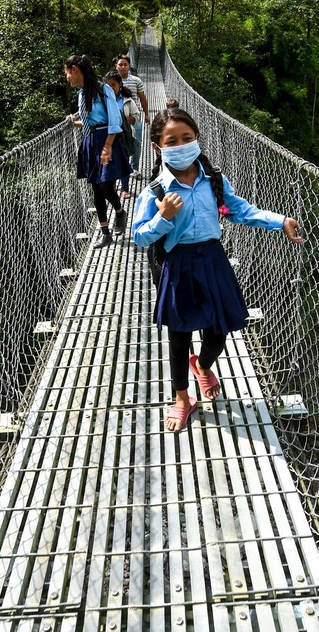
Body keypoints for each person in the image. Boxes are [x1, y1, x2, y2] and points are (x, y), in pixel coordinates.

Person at [131, 107, 305, 432]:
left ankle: (203, 365)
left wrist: (280, 221)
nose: (181, 144)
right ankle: (182, 399)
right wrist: (163, 217)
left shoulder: (214, 180)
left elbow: (239, 211)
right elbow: (139, 236)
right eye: (173, 140)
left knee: (218, 331)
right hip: (179, 263)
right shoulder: (154, 191)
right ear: (158, 146)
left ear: (197, 138)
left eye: (187, 138)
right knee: (179, 335)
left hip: (213, 259)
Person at [63, 54, 131, 248]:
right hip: (90, 140)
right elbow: (87, 122)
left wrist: (108, 145)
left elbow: (114, 120)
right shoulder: (82, 94)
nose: (67, 78)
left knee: (105, 186)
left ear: (75, 70)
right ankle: (105, 233)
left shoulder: (104, 90)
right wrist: (74, 123)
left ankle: (119, 211)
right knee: (96, 187)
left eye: (67, 73)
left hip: (106, 139)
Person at [104, 70, 143, 199]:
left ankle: (124, 189)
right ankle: (113, 185)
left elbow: (136, 115)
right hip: (108, 135)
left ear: (120, 84)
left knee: (124, 161)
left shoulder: (127, 100)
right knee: (110, 161)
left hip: (124, 135)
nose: (110, 88)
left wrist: (125, 120)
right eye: (107, 86)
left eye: (113, 85)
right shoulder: (102, 101)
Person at [114, 54, 149, 170]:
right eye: (120, 65)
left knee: (136, 143)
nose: (123, 67)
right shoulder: (111, 81)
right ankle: (123, 167)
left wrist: (147, 114)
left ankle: (135, 168)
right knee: (119, 143)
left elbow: (142, 98)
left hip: (134, 117)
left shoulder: (136, 80)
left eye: (125, 65)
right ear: (116, 66)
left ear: (129, 67)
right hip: (117, 118)